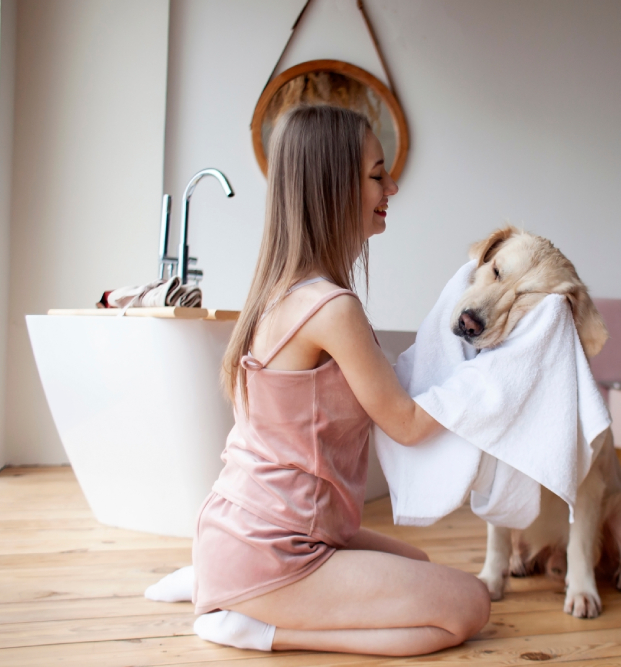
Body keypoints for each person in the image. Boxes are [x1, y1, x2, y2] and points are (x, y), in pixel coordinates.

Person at [191, 105, 491, 656]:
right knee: (468, 605)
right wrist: (498, 375)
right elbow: (405, 423)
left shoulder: (282, 290)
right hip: (275, 548)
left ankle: (226, 590)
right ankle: (251, 624)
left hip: (254, 529)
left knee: (420, 565)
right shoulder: (330, 307)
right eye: (377, 174)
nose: (392, 186)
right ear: (333, 185)